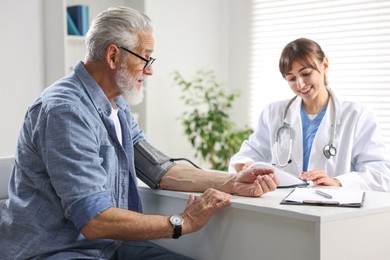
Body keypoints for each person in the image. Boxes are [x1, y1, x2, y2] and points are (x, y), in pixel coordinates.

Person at [0, 6, 280, 260]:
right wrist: (182, 223)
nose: (150, 70)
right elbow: (94, 219)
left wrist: (232, 180)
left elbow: (159, 170)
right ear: (112, 55)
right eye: (145, 58)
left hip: (105, 247)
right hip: (55, 251)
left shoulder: (116, 104)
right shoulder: (65, 110)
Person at [229, 37, 390, 192]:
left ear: (325, 65)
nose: (300, 84)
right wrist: (247, 167)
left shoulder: (357, 115)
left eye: (306, 74)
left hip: (333, 208)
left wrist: (338, 182)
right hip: (283, 205)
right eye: (291, 78)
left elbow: (380, 173)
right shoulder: (274, 113)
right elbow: (246, 155)